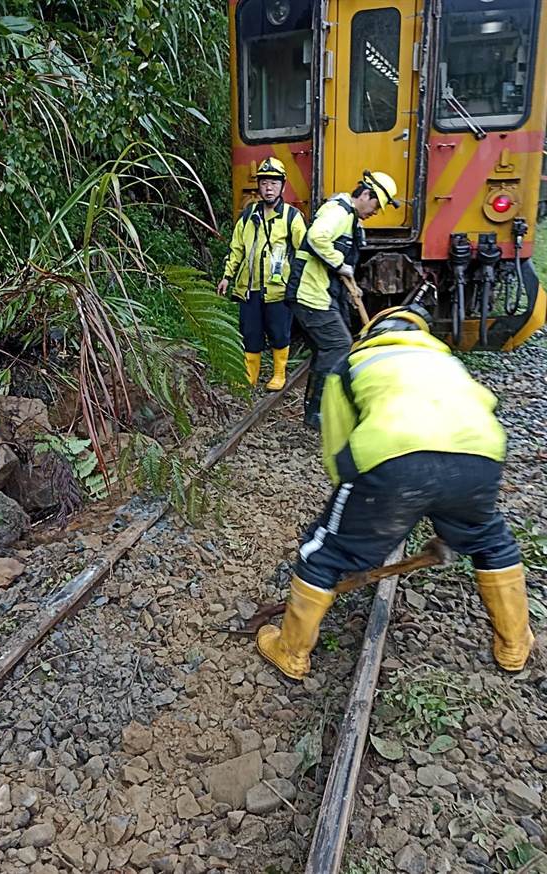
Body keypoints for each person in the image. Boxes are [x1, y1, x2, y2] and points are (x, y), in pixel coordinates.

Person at [256, 304, 534, 679]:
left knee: (323, 552)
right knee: (492, 543)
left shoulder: (354, 364)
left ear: (371, 333)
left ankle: (291, 652)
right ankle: (514, 648)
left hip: (392, 458)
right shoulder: (445, 360)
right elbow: (481, 409)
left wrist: (358, 508)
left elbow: (338, 446)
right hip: (480, 455)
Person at [285, 170, 399, 429]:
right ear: (366, 194)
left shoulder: (351, 219)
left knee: (326, 348)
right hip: (308, 292)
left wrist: (351, 286)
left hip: (322, 292)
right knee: (338, 344)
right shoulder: (338, 212)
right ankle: (318, 413)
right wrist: (340, 265)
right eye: (376, 206)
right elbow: (316, 237)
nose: (376, 212)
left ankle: (317, 410)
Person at [217, 157, 306, 390]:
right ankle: (250, 375)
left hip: (279, 289)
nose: (268, 188)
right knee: (251, 333)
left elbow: (303, 251)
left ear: (282, 186)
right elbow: (236, 248)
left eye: (274, 183)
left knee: (279, 332)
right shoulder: (248, 216)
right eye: (265, 183)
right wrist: (227, 276)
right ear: (259, 186)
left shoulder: (291, 217)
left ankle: (279, 374)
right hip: (250, 288)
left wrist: (300, 284)